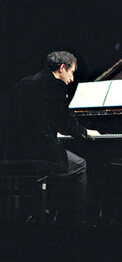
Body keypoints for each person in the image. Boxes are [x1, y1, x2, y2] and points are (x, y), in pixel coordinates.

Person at [2, 51, 100, 225]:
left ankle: (55, 215)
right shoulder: (55, 86)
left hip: (13, 150)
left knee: (65, 159)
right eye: (71, 72)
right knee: (80, 165)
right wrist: (85, 132)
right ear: (62, 68)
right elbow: (65, 122)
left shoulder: (23, 83)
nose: (71, 79)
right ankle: (81, 222)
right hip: (38, 152)